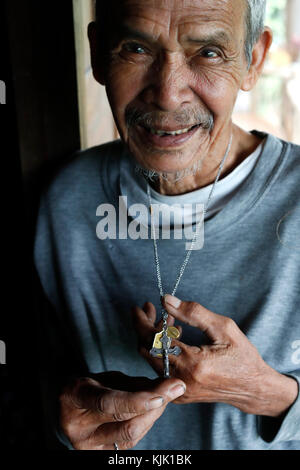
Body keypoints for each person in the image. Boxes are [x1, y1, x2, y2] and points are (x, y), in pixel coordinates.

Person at [34, 0, 300, 450]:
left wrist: (268, 393)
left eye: (209, 52)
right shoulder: (65, 203)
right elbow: (35, 381)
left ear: (253, 60)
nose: (168, 93)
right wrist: (62, 425)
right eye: (136, 48)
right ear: (98, 54)